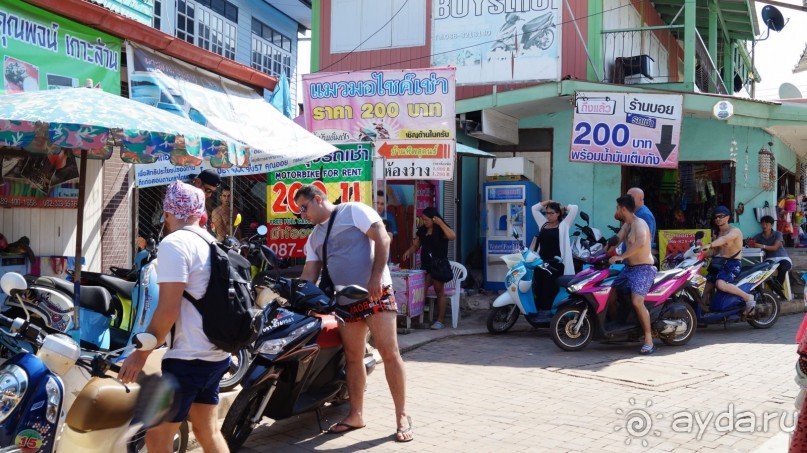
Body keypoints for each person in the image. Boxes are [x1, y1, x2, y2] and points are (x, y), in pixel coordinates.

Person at [119, 180, 231, 453]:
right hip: (216, 355)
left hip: (188, 359)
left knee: (157, 438)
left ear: (169, 212)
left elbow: (168, 309)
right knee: (207, 430)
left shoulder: (174, 244)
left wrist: (141, 353)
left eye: (165, 213)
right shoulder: (211, 241)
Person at [295, 185, 412, 443]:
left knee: (389, 353)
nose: (303, 214)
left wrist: (375, 278)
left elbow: (383, 238)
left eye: (304, 207)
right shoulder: (314, 237)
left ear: (318, 199)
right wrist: (293, 296)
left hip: (376, 294)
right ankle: (356, 414)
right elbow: (309, 274)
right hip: (345, 302)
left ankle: (402, 416)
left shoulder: (353, 211)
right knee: (353, 357)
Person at [608, 194, 657, 354]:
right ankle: (620, 328)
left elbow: (641, 242)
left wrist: (621, 256)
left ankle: (649, 340)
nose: (616, 211)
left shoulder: (639, 224)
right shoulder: (627, 225)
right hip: (628, 269)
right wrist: (604, 247)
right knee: (609, 292)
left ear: (623, 209)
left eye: (617, 208)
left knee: (637, 301)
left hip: (643, 269)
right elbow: (618, 238)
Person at [401, 207, 457, 330]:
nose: (424, 222)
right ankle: (416, 318)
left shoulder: (441, 230)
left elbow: (452, 236)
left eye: (426, 220)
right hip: (426, 265)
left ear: (433, 219)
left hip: (438, 264)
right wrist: (409, 252)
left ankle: (440, 320)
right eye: (423, 220)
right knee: (420, 290)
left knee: (439, 291)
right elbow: (416, 245)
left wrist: (441, 223)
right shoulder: (422, 230)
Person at [702, 206, 756, 313]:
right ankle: (700, 314)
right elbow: (715, 251)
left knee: (720, 284)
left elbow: (724, 240)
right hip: (719, 263)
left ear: (727, 217)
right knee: (704, 288)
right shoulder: (717, 233)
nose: (718, 219)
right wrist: (701, 254)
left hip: (733, 263)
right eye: (716, 217)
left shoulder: (734, 231)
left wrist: (710, 244)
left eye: (721, 216)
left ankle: (748, 297)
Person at [530, 199, 579, 311]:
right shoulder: (543, 224)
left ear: (558, 214)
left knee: (551, 289)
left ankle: (552, 313)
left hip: (556, 265)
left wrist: (565, 207)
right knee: (539, 288)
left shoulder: (564, 225)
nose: (549, 216)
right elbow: (534, 209)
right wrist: (547, 202)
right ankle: (540, 312)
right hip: (541, 263)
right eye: (547, 213)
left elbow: (575, 208)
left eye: (552, 213)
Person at [750, 215, 793, 287]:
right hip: (769, 259)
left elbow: (775, 248)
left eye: (766, 224)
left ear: (772, 225)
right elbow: (750, 243)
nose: (764, 226)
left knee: (783, 267)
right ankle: (769, 290)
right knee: (761, 271)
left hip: (782, 258)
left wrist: (761, 246)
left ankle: (777, 289)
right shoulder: (758, 236)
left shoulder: (778, 234)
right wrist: (749, 243)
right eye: (762, 224)